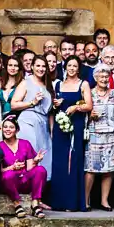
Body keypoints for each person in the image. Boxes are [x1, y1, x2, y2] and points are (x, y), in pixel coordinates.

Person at [47, 56, 92, 212]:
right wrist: (54, 104)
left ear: (78, 68)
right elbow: (50, 108)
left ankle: (73, 202)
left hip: (76, 126)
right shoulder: (57, 84)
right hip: (59, 127)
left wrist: (75, 107)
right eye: (69, 65)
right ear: (65, 67)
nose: (72, 68)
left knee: (74, 162)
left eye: (75, 66)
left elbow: (89, 105)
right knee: (59, 163)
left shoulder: (83, 84)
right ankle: (59, 202)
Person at [84, 65, 114, 211]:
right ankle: (85, 201)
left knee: (109, 170)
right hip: (95, 135)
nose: (103, 79)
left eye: (106, 76)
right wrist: (90, 116)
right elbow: (82, 115)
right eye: (100, 76)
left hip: (112, 135)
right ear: (95, 78)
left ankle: (104, 201)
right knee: (91, 169)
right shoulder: (89, 93)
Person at [10, 55, 53, 188]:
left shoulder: (48, 85)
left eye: (43, 66)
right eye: (38, 65)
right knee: (31, 158)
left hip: (43, 125)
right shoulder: (26, 82)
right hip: (28, 122)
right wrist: (32, 102)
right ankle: (28, 196)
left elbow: (50, 111)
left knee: (45, 159)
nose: (41, 68)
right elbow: (14, 104)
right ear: (32, 67)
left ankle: (38, 197)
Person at [0, 114, 46, 218]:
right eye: (5, 127)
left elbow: (28, 168)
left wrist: (35, 161)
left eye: (11, 127)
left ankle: (35, 204)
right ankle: (17, 204)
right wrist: (12, 167)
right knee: (7, 175)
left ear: (17, 130)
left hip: (24, 180)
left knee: (40, 170)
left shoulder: (25, 144)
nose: (7, 130)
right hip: (10, 182)